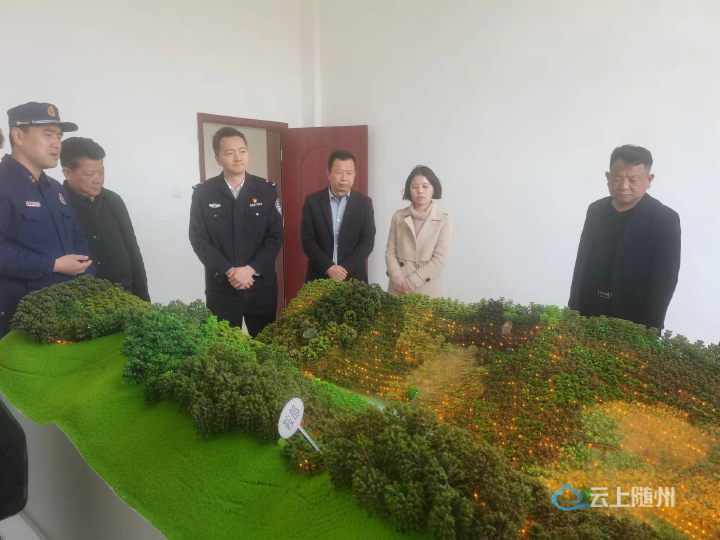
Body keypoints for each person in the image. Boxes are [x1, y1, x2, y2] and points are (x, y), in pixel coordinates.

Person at [0, 102, 95, 338]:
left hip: (66, 312)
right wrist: (52, 265)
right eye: (48, 134)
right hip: (20, 319)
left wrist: (88, 281)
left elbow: (77, 237)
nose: (56, 144)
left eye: (59, 136)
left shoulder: (56, 189)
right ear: (18, 135)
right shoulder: (3, 183)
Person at [569, 145, 681, 331]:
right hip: (587, 311)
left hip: (633, 320)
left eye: (633, 180)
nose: (624, 186)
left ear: (649, 180)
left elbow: (665, 280)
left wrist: (649, 329)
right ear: (608, 177)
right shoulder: (596, 210)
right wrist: (572, 310)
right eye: (617, 179)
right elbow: (581, 264)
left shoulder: (665, 219)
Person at [189, 127, 283, 337]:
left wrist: (250, 270)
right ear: (218, 158)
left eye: (242, 151)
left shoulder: (266, 190)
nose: (238, 157)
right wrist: (230, 271)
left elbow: (275, 236)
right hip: (221, 286)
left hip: (261, 284)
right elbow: (198, 239)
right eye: (230, 153)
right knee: (222, 345)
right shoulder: (203, 193)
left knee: (265, 343)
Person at [60, 137, 150, 301]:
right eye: (90, 174)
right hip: (83, 299)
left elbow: (132, 249)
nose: (98, 180)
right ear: (68, 173)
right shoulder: (58, 204)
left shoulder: (113, 200)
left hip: (124, 292)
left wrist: (143, 297)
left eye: (101, 172)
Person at [301, 149, 376, 283]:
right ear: (328, 174)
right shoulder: (312, 202)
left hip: (353, 278)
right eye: (339, 172)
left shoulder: (364, 203)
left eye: (349, 173)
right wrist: (329, 267)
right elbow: (307, 241)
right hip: (319, 276)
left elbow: (367, 242)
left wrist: (343, 269)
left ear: (354, 175)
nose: (344, 178)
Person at [385, 165, 451, 298]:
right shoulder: (398, 217)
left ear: (434, 189)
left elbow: (439, 259)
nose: (420, 191)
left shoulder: (443, 219)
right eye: (415, 187)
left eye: (425, 186)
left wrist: (412, 282)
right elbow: (390, 252)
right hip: (398, 288)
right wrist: (398, 279)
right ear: (409, 190)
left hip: (429, 289)